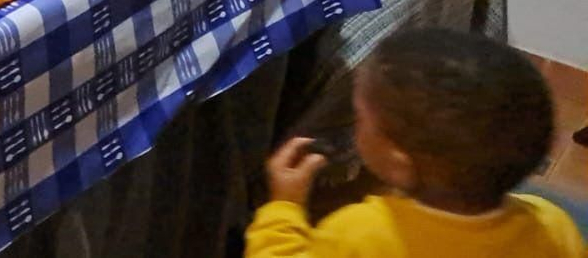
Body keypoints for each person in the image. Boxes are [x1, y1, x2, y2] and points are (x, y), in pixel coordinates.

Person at [248, 28, 581, 257]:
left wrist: (283, 207)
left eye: (362, 117)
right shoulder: (554, 225)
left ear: (397, 160)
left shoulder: (361, 234)